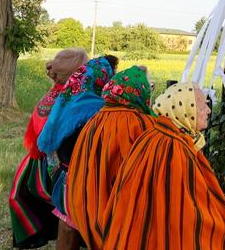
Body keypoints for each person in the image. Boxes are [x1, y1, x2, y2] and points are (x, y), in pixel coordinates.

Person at [100, 81, 225, 250]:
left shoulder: (157, 134)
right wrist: (223, 237)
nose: (208, 111)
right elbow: (188, 212)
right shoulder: (175, 149)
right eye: (202, 106)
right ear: (184, 110)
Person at [65, 65, 159, 250]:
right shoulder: (142, 123)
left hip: (91, 202)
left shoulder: (95, 119)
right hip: (125, 208)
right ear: (140, 92)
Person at [8, 47, 87, 249]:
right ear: (78, 74)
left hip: (39, 162)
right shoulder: (72, 102)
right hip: (59, 170)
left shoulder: (49, 97)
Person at [38, 54, 116, 249]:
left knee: (67, 223)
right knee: (81, 224)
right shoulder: (98, 110)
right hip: (82, 180)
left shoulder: (68, 98)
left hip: (63, 177)